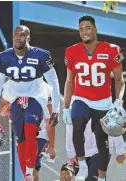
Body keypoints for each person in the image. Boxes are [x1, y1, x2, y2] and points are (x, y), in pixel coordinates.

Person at [0, 25, 60, 180]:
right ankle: (26, 176)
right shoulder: (4, 57)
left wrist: (56, 109)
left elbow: (54, 82)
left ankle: (29, 172)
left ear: (29, 38)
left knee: (30, 132)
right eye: (16, 34)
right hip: (16, 102)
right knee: (20, 139)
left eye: (22, 35)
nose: (18, 37)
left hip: (35, 98)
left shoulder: (41, 55)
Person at [63, 15, 125, 181]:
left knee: (102, 141)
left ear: (96, 29)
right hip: (81, 98)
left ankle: (102, 177)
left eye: (88, 27)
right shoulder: (71, 51)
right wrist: (66, 107)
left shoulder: (112, 50)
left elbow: (119, 80)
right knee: (77, 123)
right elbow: (69, 81)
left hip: (103, 101)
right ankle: (82, 164)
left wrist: (118, 101)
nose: (84, 31)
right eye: (81, 29)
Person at [0, 80, 56, 181]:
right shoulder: (12, 83)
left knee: (30, 168)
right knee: (28, 170)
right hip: (21, 133)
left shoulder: (45, 88)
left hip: (40, 134)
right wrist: (3, 110)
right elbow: (1, 107)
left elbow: (50, 121)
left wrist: (51, 145)